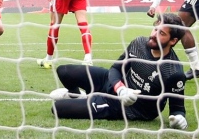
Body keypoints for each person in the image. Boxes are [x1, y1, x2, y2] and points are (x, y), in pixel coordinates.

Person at [50, 13, 188, 130]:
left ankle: (88, 100)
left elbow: (177, 108)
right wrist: (121, 88)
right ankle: (79, 97)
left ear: (173, 40)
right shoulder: (139, 44)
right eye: (155, 29)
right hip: (115, 85)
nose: (153, 35)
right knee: (64, 71)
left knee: (57, 108)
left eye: (161, 33)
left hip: (123, 107)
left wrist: (179, 118)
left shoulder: (173, 72)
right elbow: (116, 68)